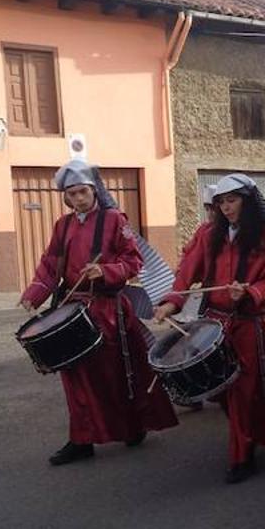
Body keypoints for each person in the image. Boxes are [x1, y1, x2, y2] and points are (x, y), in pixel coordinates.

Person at [20, 160, 178, 465]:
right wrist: (34, 294)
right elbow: (51, 263)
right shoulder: (62, 226)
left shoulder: (115, 220)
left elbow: (133, 261)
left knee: (118, 374)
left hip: (109, 311)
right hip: (73, 307)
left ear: (94, 191)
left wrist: (105, 271)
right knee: (76, 376)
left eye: (83, 192)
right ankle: (82, 438)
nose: (78, 199)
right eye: (72, 194)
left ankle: (132, 426)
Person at [153, 174, 265, 483]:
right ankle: (246, 438)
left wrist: (251, 291)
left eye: (233, 200)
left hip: (249, 325)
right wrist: (171, 303)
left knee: (244, 391)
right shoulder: (208, 234)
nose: (226, 208)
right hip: (213, 324)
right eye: (221, 202)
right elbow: (187, 273)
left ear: (248, 201)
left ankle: (242, 455)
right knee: (223, 392)